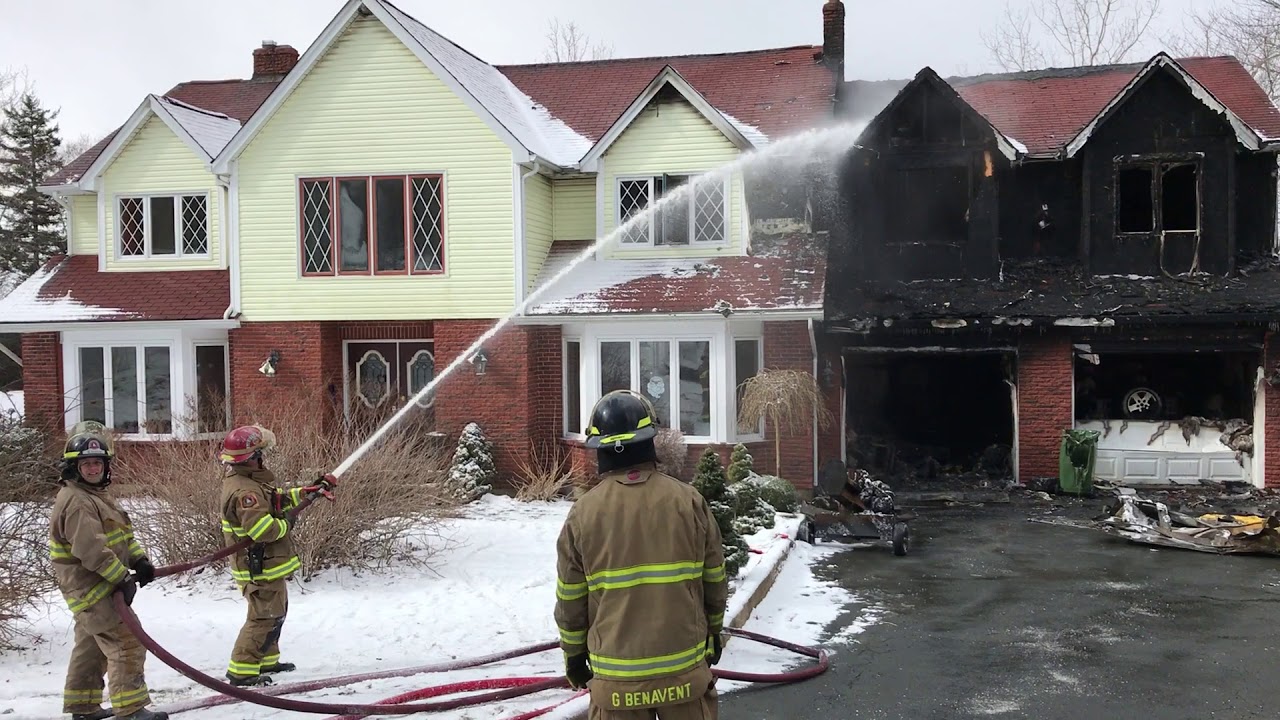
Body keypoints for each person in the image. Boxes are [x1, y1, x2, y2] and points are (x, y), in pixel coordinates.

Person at [554, 390, 728, 719]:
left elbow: (571, 597)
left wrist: (573, 654)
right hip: (685, 678)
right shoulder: (688, 502)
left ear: (600, 449)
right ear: (650, 440)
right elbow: (714, 578)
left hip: (616, 687)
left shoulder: (583, 514)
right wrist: (714, 630)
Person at [50, 421, 167, 720]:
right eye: (86, 464)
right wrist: (121, 578)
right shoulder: (77, 502)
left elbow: (120, 536)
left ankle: (82, 705)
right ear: (74, 468)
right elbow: (92, 550)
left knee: (91, 644)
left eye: (97, 463)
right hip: (93, 587)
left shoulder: (94, 495)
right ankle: (131, 709)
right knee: (126, 642)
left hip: (91, 586)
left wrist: (139, 561)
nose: (93, 469)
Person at [217, 424, 335, 687]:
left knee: (275, 612)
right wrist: (286, 523)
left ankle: (267, 660)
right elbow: (262, 530)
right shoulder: (245, 492)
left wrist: (305, 493)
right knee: (263, 617)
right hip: (257, 567)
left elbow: (274, 500)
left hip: (264, 565)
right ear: (253, 458)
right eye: (261, 454)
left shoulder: (248, 481)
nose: (264, 458)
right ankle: (243, 671)